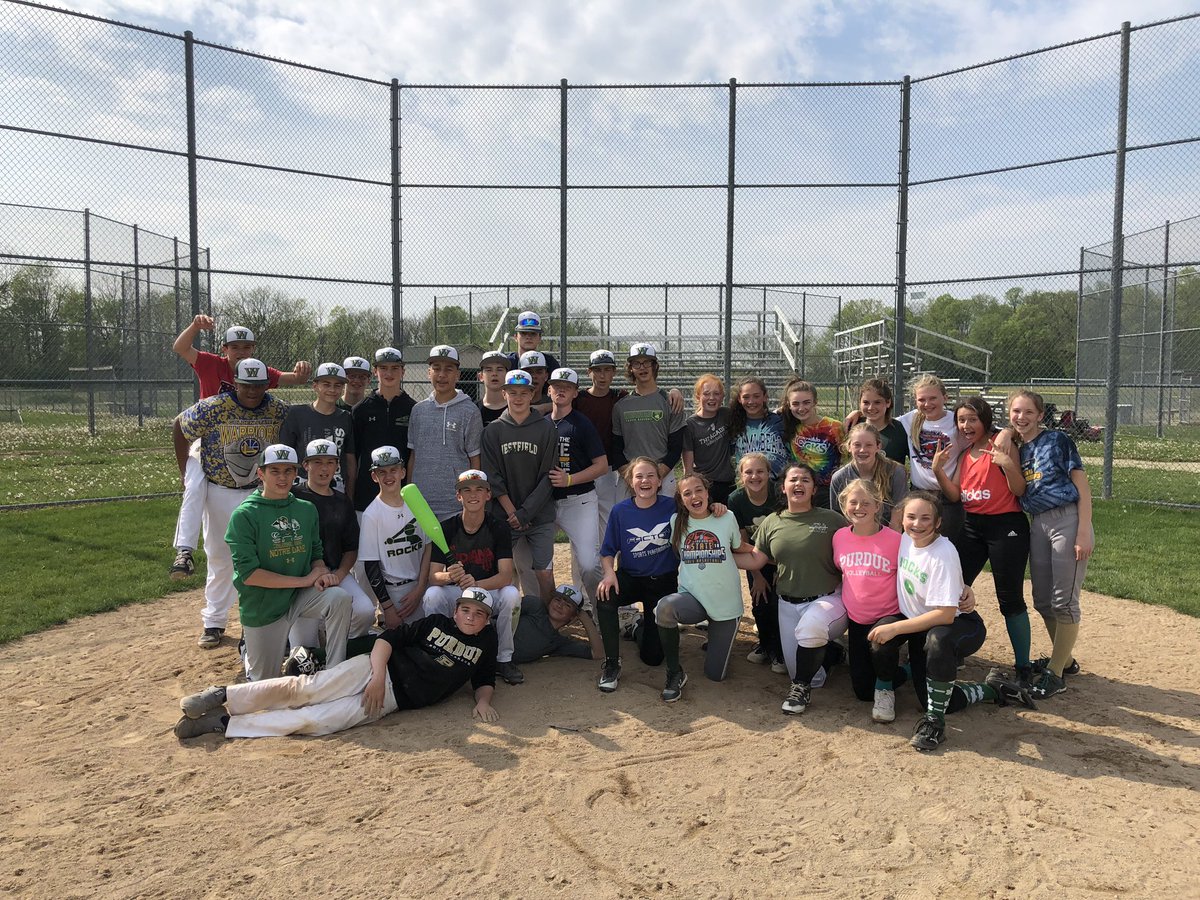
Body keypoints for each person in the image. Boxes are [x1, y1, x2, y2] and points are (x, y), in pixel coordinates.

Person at [173, 586, 500, 740]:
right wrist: (377, 675)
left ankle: (225, 724)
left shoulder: (485, 642)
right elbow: (386, 639)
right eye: (466, 610)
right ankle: (223, 696)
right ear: (456, 611)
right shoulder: (435, 624)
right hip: (374, 670)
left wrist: (483, 700)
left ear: (487, 620)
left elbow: (485, 676)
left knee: (318, 722)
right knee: (308, 689)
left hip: (393, 700)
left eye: (479, 614)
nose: (471, 617)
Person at [867, 492, 1033, 752]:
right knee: (880, 640)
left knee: (937, 654)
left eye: (925, 518)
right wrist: (962, 585)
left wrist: (895, 627)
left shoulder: (942, 552)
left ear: (938, 523)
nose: (917, 524)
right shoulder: (904, 540)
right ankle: (887, 690)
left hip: (958, 624)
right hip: (920, 621)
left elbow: (945, 615)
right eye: (911, 517)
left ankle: (959, 709)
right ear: (902, 519)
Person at [168, 318, 310, 579]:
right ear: (225, 349)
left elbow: (291, 379)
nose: (241, 352)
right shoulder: (211, 363)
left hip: (246, 439)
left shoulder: (258, 371)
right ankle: (184, 551)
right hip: (208, 437)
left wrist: (302, 373)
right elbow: (180, 347)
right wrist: (195, 327)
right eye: (235, 347)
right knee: (196, 483)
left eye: (246, 347)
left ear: (253, 349)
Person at [174, 358, 289, 649]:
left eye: (259, 385)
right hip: (220, 489)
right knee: (221, 557)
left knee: (264, 557)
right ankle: (214, 621)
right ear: (235, 383)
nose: (252, 391)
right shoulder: (215, 406)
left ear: (267, 384)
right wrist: (184, 470)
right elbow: (180, 426)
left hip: (258, 493)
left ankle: (263, 621)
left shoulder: (276, 409)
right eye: (246, 385)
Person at [225, 444, 352, 681]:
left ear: (296, 474)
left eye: (288, 471)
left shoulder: (305, 509)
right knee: (265, 684)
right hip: (264, 607)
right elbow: (250, 574)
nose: (282, 477)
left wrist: (321, 571)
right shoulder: (244, 515)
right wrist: (304, 579)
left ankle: (335, 674)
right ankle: (249, 655)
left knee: (339, 598)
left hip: (299, 597)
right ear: (261, 474)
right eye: (274, 471)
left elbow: (316, 553)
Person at [933, 396, 1032, 682]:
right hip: (973, 526)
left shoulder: (1001, 444)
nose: (966, 425)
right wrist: (938, 470)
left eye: (972, 419)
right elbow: (956, 495)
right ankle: (954, 647)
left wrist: (1008, 464)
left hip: (1006, 526)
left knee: (1009, 598)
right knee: (951, 587)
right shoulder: (966, 455)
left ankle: (1023, 667)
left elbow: (1019, 489)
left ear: (985, 420)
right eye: (961, 420)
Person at [1008, 389, 1094, 701]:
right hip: (1039, 523)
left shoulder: (1057, 440)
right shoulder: (1018, 447)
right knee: (1043, 600)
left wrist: (1083, 531)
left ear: (1040, 415)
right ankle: (1065, 660)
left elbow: (1081, 485)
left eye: (1028, 412)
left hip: (1067, 519)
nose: (1021, 417)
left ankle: (1056, 674)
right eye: (1016, 411)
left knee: (1064, 601)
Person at [653, 473, 764, 703]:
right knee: (664, 608)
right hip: (693, 599)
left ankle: (717, 635)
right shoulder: (676, 523)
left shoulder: (726, 517)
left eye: (698, 490)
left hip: (725, 605)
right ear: (681, 499)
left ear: (707, 492)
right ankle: (674, 672)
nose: (694, 496)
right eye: (687, 493)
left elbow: (738, 547)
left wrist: (766, 556)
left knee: (715, 676)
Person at [753, 464, 848, 716]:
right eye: (793, 479)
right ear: (783, 488)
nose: (798, 484)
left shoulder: (832, 520)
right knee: (804, 672)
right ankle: (833, 653)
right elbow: (755, 560)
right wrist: (721, 554)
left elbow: (857, 548)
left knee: (810, 631)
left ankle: (800, 690)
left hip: (827, 599)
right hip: (787, 602)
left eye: (805, 480)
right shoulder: (773, 521)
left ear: (814, 488)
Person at [422, 469, 524, 685]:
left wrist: (476, 584)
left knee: (512, 595)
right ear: (459, 496)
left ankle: (503, 659)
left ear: (488, 495)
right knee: (432, 595)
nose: (473, 494)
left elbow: (506, 575)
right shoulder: (446, 528)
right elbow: (433, 576)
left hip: (488, 591)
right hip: (458, 594)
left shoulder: (499, 527)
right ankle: (438, 654)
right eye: (466, 490)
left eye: (479, 489)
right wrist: (449, 575)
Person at [595, 457, 678, 692]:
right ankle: (612, 662)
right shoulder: (620, 511)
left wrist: (715, 506)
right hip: (632, 577)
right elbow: (608, 550)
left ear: (660, 481)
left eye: (651, 476)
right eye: (639, 476)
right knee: (606, 595)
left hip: (663, 582)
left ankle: (638, 628)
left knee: (653, 658)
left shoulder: (672, 506)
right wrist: (610, 573)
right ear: (631, 482)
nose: (645, 481)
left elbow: (698, 508)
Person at [288, 439, 377, 653]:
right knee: (304, 648)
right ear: (305, 465)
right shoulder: (293, 496)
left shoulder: (342, 501)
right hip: (301, 577)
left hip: (336, 572)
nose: (324, 468)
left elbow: (351, 548)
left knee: (365, 611)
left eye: (330, 462)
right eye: (317, 462)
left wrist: (339, 574)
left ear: (337, 466)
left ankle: (340, 642)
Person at [480, 369, 558, 603]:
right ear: (503, 394)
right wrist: (513, 512)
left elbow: (549, 476)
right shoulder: (493, 430)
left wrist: (526, 513)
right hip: (505, 515)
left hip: (539, 514)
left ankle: (548, 623)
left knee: (544, 572)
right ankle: (493, 618)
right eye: (512, 392)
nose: (518, 397)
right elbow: (492, 477)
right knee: (497, 570)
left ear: (532, 394)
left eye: (524, 392)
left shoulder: (546, 428)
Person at [832, 478, 906, 723]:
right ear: (844, 506)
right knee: (863, 692)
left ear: (877, 506)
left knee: (881, 646)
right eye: (853, 502)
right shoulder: (839, 537)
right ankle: (910, 671)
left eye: (866, 502)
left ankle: (886, 691)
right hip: (857, 620)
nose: (859, 507)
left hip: (889, 614)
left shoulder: (896, 540)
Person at [357, 446, 444, 631]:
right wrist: (387, 609)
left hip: (422, 586)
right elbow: (371, 566)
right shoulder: (371, 514)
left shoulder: (417, 502)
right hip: (395, 594)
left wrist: (420, 588)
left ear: (403, 472)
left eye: (393, 470)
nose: (389, 476)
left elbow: (428, 545)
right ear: (374, 476)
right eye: (382, 472)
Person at [546, 367, 608, 610]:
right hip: (546, 503)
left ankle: (600, 611)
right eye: (556, 386)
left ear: (575, 393)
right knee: (539, 564)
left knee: (588, 564)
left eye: (567, 387)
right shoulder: (540, 424)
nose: (561, 390)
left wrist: (570, 479)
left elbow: (601, 466)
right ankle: (546, 615)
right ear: (548, 389)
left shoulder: (581, 424)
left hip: (579, 500)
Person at [407, 345, 484, 521]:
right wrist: (410, 493)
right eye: (436, 369)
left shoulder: (470, 411)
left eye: (449, 369)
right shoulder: (418, 410)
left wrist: (471, 497)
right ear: (428, 373)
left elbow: (474, 459)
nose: (442, 375)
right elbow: (414, 455)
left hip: (455, 504)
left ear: (458, 375)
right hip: (420, 503)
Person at [727, 452, 785, 674]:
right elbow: (741, 541)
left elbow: (787, 532)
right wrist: (758, 575)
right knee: (760, 600)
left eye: (760, 471)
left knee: (779, 603)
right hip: (755, 558)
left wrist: (781, 567)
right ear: (741, 475)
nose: (755, 476)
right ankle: (766, 645)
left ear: (769, 473)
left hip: (781, 557)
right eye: (748, 472)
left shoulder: (779, 494)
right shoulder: (736, 499)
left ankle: (780, 650)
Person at [895, 374, 967, 540]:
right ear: (915, 401)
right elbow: (880, 422)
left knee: (947, 544)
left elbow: (987, 431)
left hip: (947, 497)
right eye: (922, 400)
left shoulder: (956, 421)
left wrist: (1006, 433)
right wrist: (856, 414)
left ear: (945, 397)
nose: (927, 404)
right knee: (916, 543)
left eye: (933, 398)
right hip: (918, 493)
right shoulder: (910, 419)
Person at [612, 343, 686, 497]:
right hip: (630, 478)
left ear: (654, 366)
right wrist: (632, 477)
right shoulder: (620, 405)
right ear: (630, 368)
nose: (642, 367)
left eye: (647, 362)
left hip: (663, 476)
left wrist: (656, 475)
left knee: (666, 521)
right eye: (637, 363)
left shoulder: (671, 401)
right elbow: (616, 448)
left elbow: (676, 447)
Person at [351, 348, 416, 516]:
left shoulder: (414, 409)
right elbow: (353, 457)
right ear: (375, 371)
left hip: (401, 495)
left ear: (403, 371)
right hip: (366, 495)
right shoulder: (360, 410)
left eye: (395, 368)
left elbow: (413, 455)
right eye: (383, 368)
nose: (389, 373)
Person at [279, 362, 357, 491]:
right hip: (302, 484)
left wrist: (350, 496)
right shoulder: (297, 413)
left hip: (335, 484)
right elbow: (286, 453)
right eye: (326, 384)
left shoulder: (345, 417)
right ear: (315, 386)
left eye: (338, 385)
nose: (332, 390)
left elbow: (349, 459)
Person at [780, 377, 844, 510]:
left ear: (815, 402)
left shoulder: (834, 427)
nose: (801, 408)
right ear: (789, 404)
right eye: (796, 404)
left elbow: (847, 460)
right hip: (800, 490)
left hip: (829, 491)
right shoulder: (788, 425)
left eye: (806, 403)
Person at [829, 422, 907, 528]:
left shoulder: (895, 472)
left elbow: (897, 516)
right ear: (848, 447)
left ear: (878, 446)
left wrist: (891, 542)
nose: (862, 450)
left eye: (869, 445)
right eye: (857, 445)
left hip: (887, 535)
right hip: (853, 536)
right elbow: (838, 519)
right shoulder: (839, 477)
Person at [512, 584, 604, 666]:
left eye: (567, 605)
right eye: (557, 600)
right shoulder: (535, 607)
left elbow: (598, 654)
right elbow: (502, 611)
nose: (560, 605)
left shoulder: (558, 643)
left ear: (573, 616)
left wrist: (585, 618)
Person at [682, 373, 735, 504]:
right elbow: (688, 466)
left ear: (722, 397)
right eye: (706, 394)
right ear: (698, 396)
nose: (712, 398)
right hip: (705, 485)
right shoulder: (690, 424)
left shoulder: (726, 415)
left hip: (727, 483)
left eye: (716, 394)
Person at [729, 376, 788, 481]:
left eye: (756, 396)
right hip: (747, 484)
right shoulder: (733, 424)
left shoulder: (779, 421)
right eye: (746, 397)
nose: (751, 401)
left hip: (777, 484)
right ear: (739, 399)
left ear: (765, 397)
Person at [843, 378, 908, 464]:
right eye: (866, 402)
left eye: (877, 402)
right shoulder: (852, 425)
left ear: (888, 402)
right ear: (860, 403)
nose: (871, 408)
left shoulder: (901, 429)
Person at [476, 349, 511, 426]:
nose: (494, 374)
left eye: (499, 369)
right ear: (481, 376)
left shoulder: (516, 407)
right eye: (489, 370)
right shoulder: (474, 409)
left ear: (507, 375)